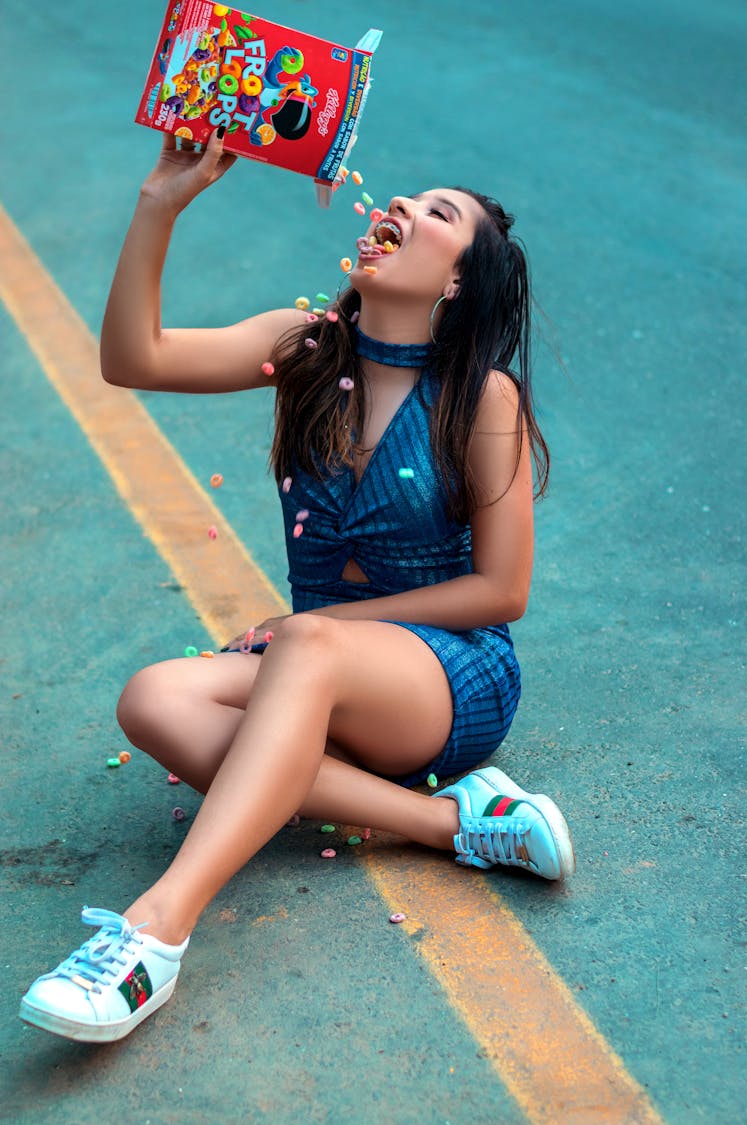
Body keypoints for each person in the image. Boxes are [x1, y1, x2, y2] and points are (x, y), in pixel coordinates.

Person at [20, 128, 575, 1044]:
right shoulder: (307, 346)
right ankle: (456, 824)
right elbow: (134, 359)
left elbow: (501, 591)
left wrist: (316, 626)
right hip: (314, 673)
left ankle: (153, 935)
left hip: (447, 675)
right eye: (404, 196)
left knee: (309, 639)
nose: (398, 207)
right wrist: (162, 198)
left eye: (436, 214)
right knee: (154, 695)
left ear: (456, 285)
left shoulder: (484, 397)